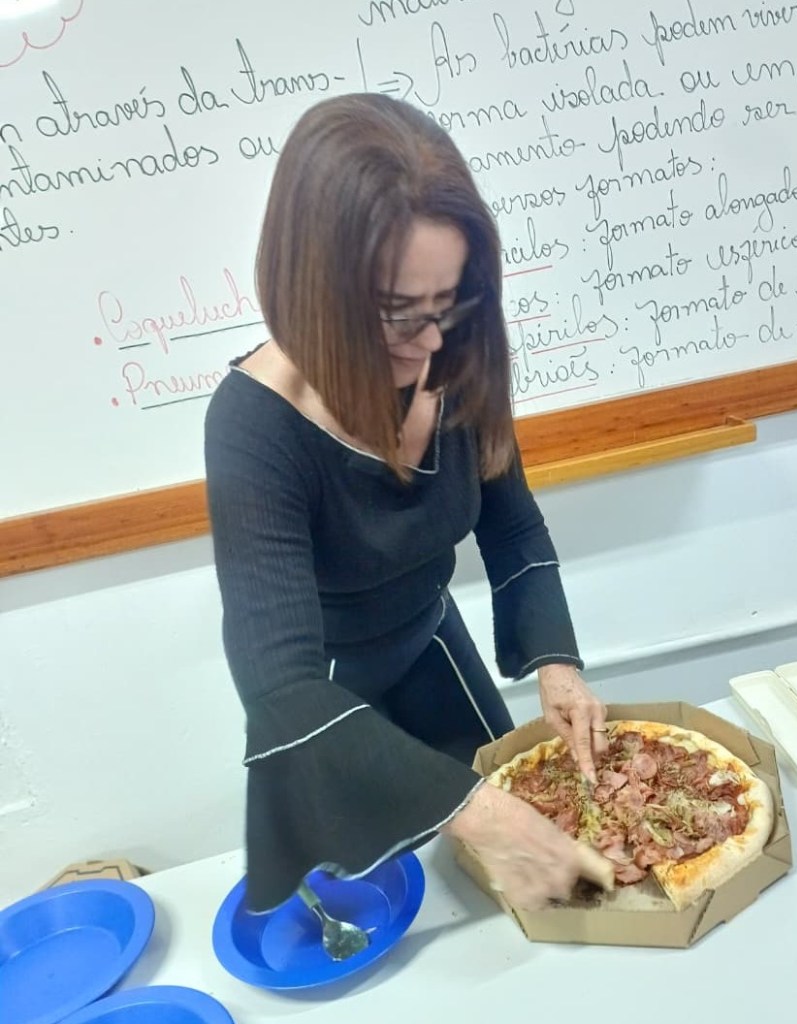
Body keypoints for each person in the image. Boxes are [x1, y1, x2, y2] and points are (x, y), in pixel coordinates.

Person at [204, 93, 614, 916]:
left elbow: (513, 527)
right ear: (315, 294)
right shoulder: (254, 427)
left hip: (429, 644)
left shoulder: (450, 352)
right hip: (327, 700)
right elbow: (283, 693)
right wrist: (477, 814)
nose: (432, 345)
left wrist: (558, 665)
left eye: (447, 305)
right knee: (390, 907)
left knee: (531, 877)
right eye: (398, 318)